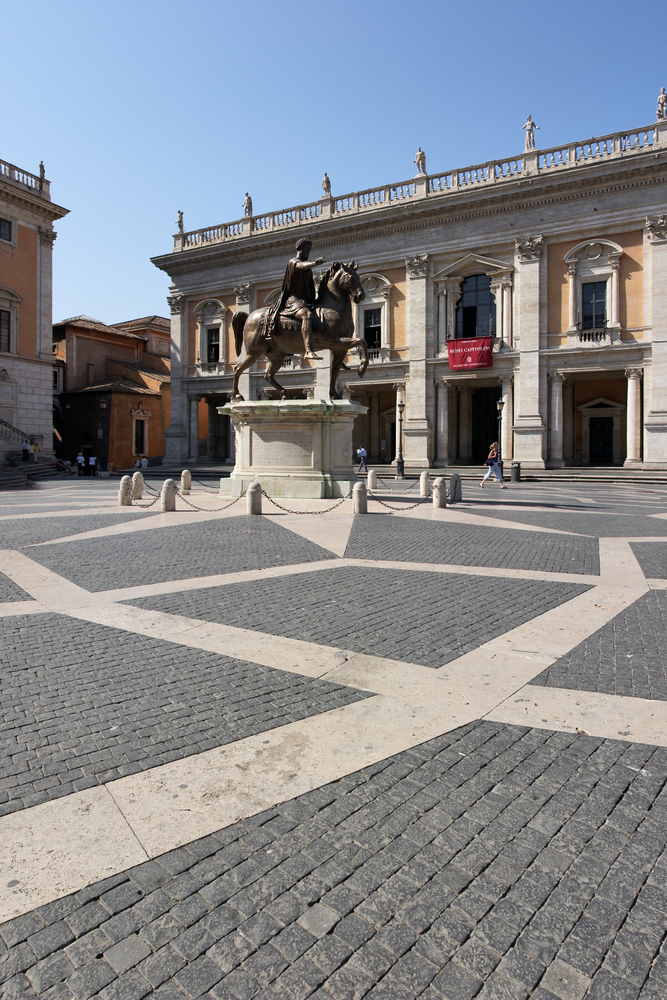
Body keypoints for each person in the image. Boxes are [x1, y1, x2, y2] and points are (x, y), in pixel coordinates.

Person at [271, 238, 326, 360]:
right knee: (306, 315)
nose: (308, 253)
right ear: (299, 249)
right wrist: (314, 263)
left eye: (309, 250)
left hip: (306, 301)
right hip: (294, 300)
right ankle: (307, 350)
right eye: (306, 250)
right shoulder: (293, 262)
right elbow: (300, 265)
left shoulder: (308, 270)